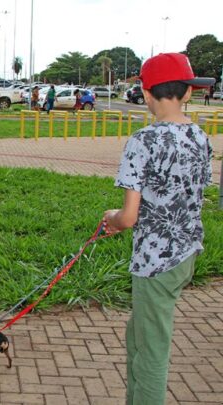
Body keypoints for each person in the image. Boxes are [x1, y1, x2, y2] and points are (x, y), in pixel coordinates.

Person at [101, 53, 214, 405]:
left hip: (155, 262)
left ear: (147, 94)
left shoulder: (143, 141)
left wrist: (112, 218)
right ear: (188, 94)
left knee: (151, 350)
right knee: (139, 333)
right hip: (185, 255)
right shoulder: (200, 136)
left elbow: (129, 216)